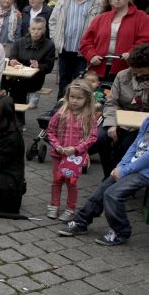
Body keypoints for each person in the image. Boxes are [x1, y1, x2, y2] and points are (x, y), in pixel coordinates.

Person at [59, 115, 149, 246]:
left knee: (112, 194)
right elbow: (135, 145)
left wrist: (124, 171)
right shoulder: (147, 120)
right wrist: (121, 165)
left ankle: (121, 231)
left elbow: (147, 158)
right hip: (132, 166)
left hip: (144, 172)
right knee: (103, 188)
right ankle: (82, 221)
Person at [92, 44, 149, 177]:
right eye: (134, 69)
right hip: (120, 118)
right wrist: (111, 124)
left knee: (128, 144)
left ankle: (121, 176)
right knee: (100, 138)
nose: (137, 74)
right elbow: (112, 102)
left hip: (144, 123)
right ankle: (109, 174)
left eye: (141, 70)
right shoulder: (123, 75)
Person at [46, 79, 98, 221]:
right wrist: (57, 146)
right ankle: (54, 205)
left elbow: (92, 137)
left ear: (87, 99)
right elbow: (50, 131)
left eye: (79, 98)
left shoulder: (89, 117)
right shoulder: (60, 113)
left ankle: (70, 208)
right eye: (72, 97)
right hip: (58, 154)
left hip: (76, 157)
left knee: (72, 182)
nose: (74, 101)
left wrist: (76, 149)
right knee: (57, 180)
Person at [49, 0, 105, 99]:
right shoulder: (64, 0)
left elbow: (102, 26)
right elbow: (52, 21)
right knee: (64, 81)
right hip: (65, 49)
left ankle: (78, 109)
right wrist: (55, 38)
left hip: (84, 52)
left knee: (80, 83)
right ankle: (61, 108)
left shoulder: (99, 2)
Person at [79, 0, 149, 81]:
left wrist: (131, 53)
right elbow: (86, 41)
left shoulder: (141, 17)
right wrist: (91, 56)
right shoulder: (101, 18)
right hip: (98, 68)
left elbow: (145, 40)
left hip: (126, 69)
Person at [5, 17, 56, 110]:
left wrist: (39, 66)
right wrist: (12, 61)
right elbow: (12, 57)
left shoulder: (49, 45)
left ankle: (17, 114)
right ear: (29, 29)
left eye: (39, 29)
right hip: (17, 75)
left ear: (44, 30)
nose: (36, 32)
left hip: (35, 79)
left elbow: (49, 67)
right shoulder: (19, 42)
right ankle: (8, 111)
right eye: (33, 29)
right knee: (4, 82)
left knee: (17, 86)